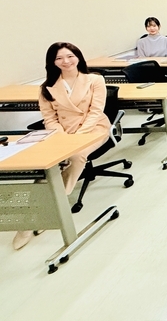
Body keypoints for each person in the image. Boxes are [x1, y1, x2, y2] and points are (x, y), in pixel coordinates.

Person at [13, 42, 111, 250]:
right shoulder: (46, 87)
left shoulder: (95, 80)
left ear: (78, 57)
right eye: (59, 58)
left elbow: (96, 111)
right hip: (62, 132)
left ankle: (54, 207)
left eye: (70, 56)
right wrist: (63, 137)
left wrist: (77, 137)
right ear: (52, 62)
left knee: (76, 156)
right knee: (47, 163)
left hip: (93, 129)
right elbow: (49, 118)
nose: (65, 61)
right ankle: (29, 215)